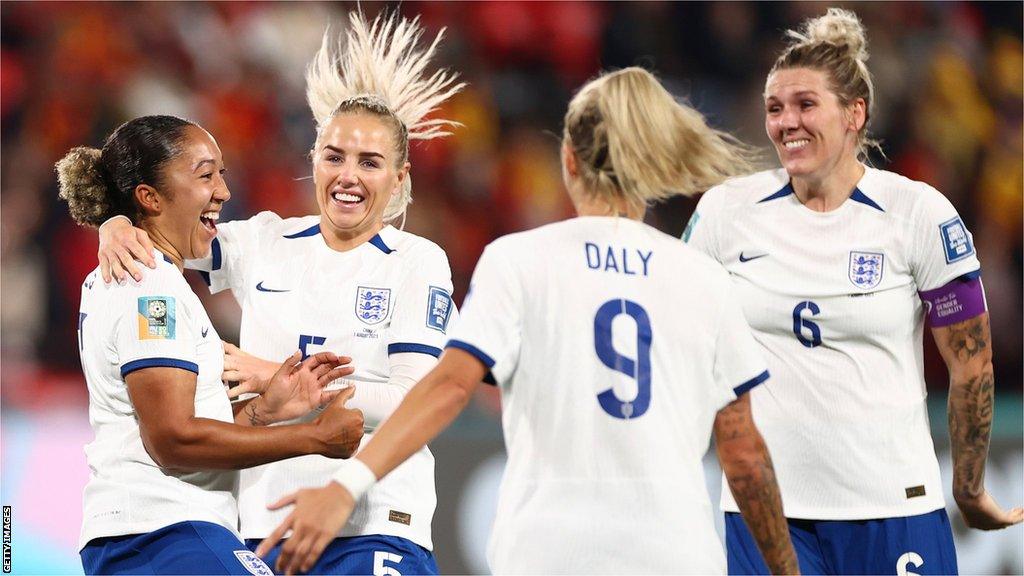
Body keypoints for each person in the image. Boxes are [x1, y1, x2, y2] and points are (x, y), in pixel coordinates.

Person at [255, 67, 800, 575]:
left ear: (567, 160)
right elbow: (745, 454)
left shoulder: (519, 260)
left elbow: (447, 388)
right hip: (675, 553)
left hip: (547, 549)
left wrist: (347, 485)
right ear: (657, 166)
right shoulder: (703, 279)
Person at [95, 12, 464, 575]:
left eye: (370, 162)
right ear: (312, 158)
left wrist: (277, 378)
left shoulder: (418, 263)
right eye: (334, 156)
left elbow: (416, 404)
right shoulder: (264, 240)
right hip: (265, 532)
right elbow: (163, 220)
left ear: (400, 177)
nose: (348, 176)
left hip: (371, 523)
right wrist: (113, 223)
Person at [680, 8, 1024, 575]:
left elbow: (973, 367)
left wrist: (968, 488)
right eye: (775, 108)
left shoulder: (918, 214)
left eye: (805, 105)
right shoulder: (725, 213)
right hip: (766, 519)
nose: (786, 122)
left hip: (892, 508)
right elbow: (679, 335)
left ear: (854, 114)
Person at [57, 115, 366, 575]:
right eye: (205, 174)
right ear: (150, 196)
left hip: (152, 535)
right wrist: (312, 437)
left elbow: (176, 425)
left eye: (221, 172)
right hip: (163, 532)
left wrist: (264, 411)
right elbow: (172, 439)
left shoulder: (148, 279)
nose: (223, 190)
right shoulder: (150, 287)